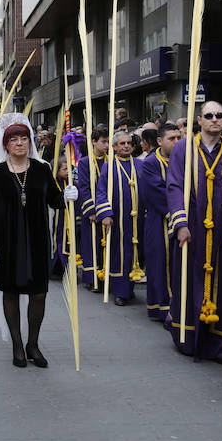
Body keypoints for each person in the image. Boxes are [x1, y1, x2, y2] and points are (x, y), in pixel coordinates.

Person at [0, 115, 76, 367]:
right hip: (6, 241)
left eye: (24, 138)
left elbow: (53, 200)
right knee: (10, 291)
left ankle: (33, 344)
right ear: (6, 145)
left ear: (30, 142)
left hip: (36, 239)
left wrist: (67, 194)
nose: (20, 143)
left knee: (39, 293)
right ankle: (17, 345)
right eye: (14, 139)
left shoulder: (42, 169)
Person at [165, 103, 222, 364]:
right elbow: (174, 185)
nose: (214, 119)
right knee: (188, 281)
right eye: (208, 115)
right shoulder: (182, 148)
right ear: (199, 120)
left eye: (219, 115)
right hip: (192, 227)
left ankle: (218, 347)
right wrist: (180, 223)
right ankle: (187, 340)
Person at [96, 131, 144, 306]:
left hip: (138, 219)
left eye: (129, 143)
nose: (126, 146)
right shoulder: (109, 166)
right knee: (120, 254)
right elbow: (101, 192)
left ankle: (129, 288)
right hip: (118, 218)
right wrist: (106, 214)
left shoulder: (140, 165)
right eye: (122, 143)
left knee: (136, 253)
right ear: (114, 147)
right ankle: (120, 292)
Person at [139, 124, 179, 322]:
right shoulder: (151, 163)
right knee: (160, 263)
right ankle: (161, 308)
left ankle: (178, 307)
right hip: (158, 220)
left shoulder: (183, 161)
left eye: (178, 138)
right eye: (172, 138)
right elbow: (154, 192)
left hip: (181, 221)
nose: (176, 142)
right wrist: (179, 208)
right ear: (160, 141)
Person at [77, 127, 108, 291]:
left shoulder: (111, 160)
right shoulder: (84, 162)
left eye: (108, 142)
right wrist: (91, 211)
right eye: (103, 142)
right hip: (93, 211)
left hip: (108, 210)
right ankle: (92, 278)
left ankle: (107, 278)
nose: (107, 145)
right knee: (92, 244)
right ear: (94, 142)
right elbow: (83, 188)